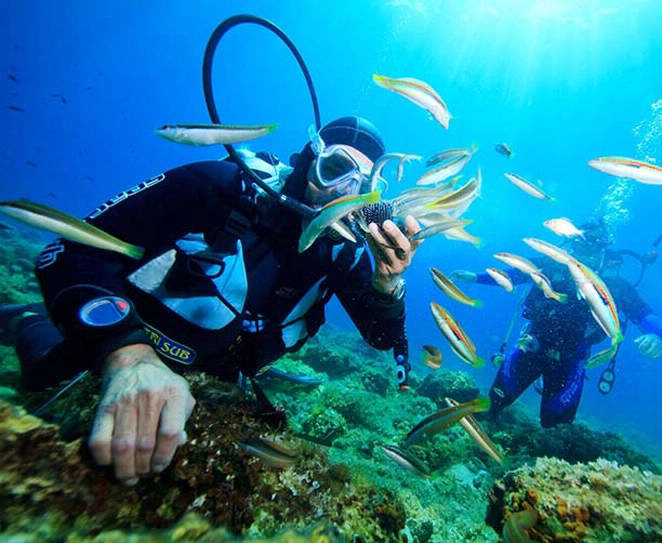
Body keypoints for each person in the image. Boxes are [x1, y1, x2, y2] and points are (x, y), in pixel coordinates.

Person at [2, 116, 421, 485]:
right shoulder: (219, 188)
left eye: (362, 189)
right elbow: (70, 251)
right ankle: (27, 319)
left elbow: (382, 337)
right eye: (335, 170)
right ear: (309, 160)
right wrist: (127, 358)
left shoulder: (343, 254)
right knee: (42, 375)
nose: (341, 196)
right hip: (125, 347)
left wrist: (389, 286)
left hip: (221, 385)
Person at [451, 220, 662, 427]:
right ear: (572, 243)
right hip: (531, 347)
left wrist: (656, 336)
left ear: (603, 251)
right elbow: (512, 274)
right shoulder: (549, 265)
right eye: (581, 245)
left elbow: (645, 315)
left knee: (556, 424)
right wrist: (476, 277)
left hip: (571, 360)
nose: (585, 254)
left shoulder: (615, 286)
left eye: (592, 248)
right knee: (493, 404)